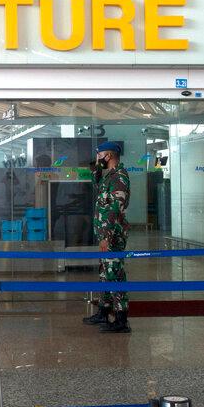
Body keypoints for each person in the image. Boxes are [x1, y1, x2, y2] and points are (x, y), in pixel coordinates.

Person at [83, 141, 132, 333]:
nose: (98, 159)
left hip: (112, 235)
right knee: (105, 272)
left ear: (109, 156)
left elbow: (115, 209)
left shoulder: (119, 177)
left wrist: (107, 236)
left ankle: (121, 319)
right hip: (105, 234)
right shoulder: (109, 177)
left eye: (100, 155)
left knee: (115, 274)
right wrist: (95, 168)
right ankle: (103, 312)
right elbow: (97, 185)